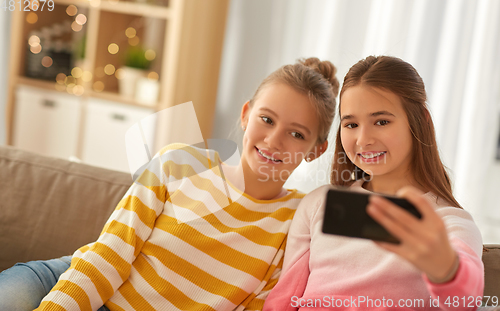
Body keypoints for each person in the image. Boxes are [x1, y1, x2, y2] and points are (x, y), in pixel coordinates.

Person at [0, 57, 340, 311]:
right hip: (76, 281)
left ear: (317, 149)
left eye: (297, 134)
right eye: (266, 119)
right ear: (246, 114)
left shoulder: (297, 219)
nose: (274, 140)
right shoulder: (180, 162)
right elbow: (110, 254)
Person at [263, 56, 484, 311]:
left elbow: (467, 298)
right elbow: (283, 299)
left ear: (420, 120)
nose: (363, 139)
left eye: (381, 121)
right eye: (351, 124)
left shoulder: (447, 223)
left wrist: (446, 269)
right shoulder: (319, 204)